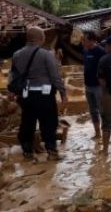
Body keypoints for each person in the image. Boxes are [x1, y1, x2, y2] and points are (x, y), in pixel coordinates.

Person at [10, 27, 67, 161]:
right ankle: (51, 151)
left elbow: (13, 75)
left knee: (27, 122)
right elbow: (55, 76)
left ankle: (27, 152)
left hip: (26, 95)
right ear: (40, 39)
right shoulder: (46, 54)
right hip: (44, 95)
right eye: (43, 37)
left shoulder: (17, 54)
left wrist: (11, 92)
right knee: (48, 123)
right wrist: (63, 93)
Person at [82, 31, 106, 139]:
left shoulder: (101, 52)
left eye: (85, 40)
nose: (83, 42)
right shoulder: (85, 51)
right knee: (92, 111)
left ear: (92, 40)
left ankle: (105, 134)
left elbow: (106, 69)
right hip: (88, 86)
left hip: (98, 86)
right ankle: (97, 133)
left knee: (102, 110)